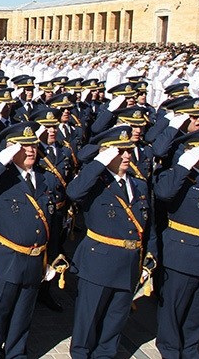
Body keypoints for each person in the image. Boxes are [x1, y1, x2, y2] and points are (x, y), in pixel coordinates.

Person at [0, 122, 63, 359]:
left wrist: (51, 256)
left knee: (23, 313)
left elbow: (53, 220)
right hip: (5, 258)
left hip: (34, 259)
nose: (30, 151)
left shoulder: (46, 179)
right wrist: (1, 161)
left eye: (33, 146)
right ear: (11, 149)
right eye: (24, 146)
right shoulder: (0, 177)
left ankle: (16, 353)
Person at [66, 126, 157, 359]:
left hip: (129, 264)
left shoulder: (139, 184)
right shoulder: (95, 182)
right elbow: (74, 193)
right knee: (88, 320)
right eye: (120, 151)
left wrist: (150, 258)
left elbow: (150, 226)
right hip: (99, 261)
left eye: (128, 151)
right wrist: (99, 162)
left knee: (115, 320)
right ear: (106, 153)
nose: (126, 155)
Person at [152, 127, 199, 359]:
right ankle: (170, 350)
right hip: (183, 255)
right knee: (174, 309)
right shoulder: (178, 177)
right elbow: (164, 193)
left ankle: (190, 349)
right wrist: (184, 165)